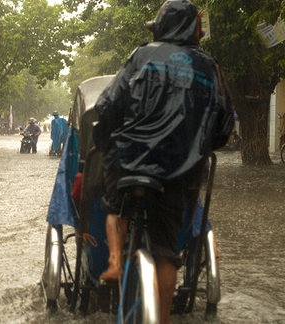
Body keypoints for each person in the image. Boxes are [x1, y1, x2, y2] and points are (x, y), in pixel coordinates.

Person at [92, 1, 234, 322]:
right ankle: (164, 318)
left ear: (161, 26)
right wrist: (197, 147)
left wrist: (106, 141)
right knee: (166, 250)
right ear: (193, 29)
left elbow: (108, 105)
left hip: (130, 160)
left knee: (115, 205)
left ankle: (114, 262)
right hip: (180, 172)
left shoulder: (143, 55)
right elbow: (224, 127)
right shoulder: (209, 67)